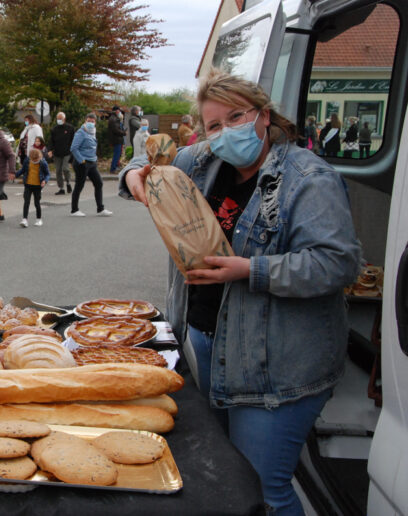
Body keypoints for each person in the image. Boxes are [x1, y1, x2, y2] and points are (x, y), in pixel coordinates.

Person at [120, 70, 360, 515]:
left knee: (264, 492)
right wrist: (136, 177)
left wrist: (251, 270)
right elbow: (143, 164)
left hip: (275, 367)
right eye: (213, 126)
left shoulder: (308, 178)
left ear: (263, 116)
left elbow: (337, 263)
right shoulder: (205, 162)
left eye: (236, 117)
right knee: (227, 481)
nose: (225, 132)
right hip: (207, 348)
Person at [70, 113, 112, 217]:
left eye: (92, 121)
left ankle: (100, 209)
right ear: (85, 121)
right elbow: (73, 148)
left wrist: (94, 159)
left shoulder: (93, 132)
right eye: (88, 121)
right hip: (82, 163)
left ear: (95, 123)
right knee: (79, 185)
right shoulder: (81, 132)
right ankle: (74, 210)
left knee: (99, 183)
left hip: (92, 162)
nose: (90, 123)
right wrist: (82, 160)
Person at [15, 147, 50, 227]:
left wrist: (45, 180)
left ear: (39, 157)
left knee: (37, 203)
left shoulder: (43, 163)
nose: (34, 161)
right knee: (26, 202)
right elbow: (23, 170)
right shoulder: (27, 161)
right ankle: (24, 219)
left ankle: (39, 219)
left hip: (38, 186)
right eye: (33, 160)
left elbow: (47, 174)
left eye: (36, 160)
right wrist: (15, 175)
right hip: (28, 184)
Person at [48, 111, 75, 195]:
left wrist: (73, 150)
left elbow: (73, 140)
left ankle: (68, 183)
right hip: (57, 153)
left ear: (64, 119)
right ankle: (61, 188)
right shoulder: (54, 129)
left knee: (65, 168)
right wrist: (50, 150)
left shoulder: (70, 128)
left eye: (60, 119)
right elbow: (51, 141)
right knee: (58, 171)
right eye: (58, 119)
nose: (59, 120)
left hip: (67, 152)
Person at [107, 105, 126, 173]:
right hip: (117, 139)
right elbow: (116, 130)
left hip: (116, 139)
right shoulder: (114, 119)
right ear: (117, 111)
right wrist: (124, 133)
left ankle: (115, 167)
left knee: (117, 154)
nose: (120, 112)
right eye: (119, 110)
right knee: (116, 154)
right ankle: (113, 169)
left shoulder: (113, 118)